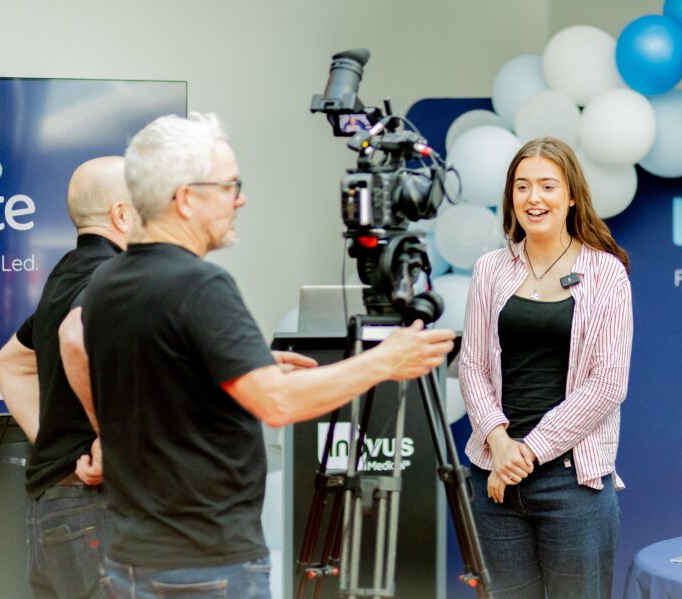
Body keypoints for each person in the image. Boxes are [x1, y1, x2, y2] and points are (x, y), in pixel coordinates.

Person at [57, 113, 455, 599]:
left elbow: (159, 372)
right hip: (206, 568)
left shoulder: (107, 281)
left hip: (132, 560)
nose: (239, 199)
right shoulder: (201, 285)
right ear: (186, 199)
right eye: (229, 186)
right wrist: (386, 360)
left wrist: (235, 362)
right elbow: (278, 404)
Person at [459, 137, 633, 598]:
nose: (533, 198)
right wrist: (500, 443)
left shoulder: (606, 273)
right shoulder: (490, 269)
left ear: (571, 196)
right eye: (522, 186)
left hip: (572, 483)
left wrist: (528, 452)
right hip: (494, 479)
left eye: (547, 186)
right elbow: (471, 365)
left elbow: (608, 384)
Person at [0, 156, 141, 599]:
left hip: (55, 512)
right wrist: (107, 440)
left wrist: (55, 442)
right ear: (121, 214)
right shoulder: (115, 278)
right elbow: (75, 338)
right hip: (97, 510)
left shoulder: (65, 277)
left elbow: (10, 362)